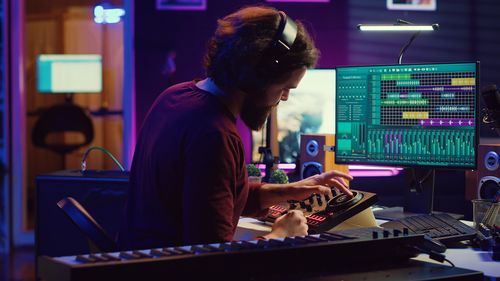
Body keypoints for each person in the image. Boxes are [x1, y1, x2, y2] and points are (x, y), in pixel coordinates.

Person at [118, 5, 353, 250]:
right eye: (285, 87)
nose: (283, 98)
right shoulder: (214, 134)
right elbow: (213, 260)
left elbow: (216, 197)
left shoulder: (174, 96)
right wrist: (283, 235)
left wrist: (290, 191)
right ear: (258, 75)